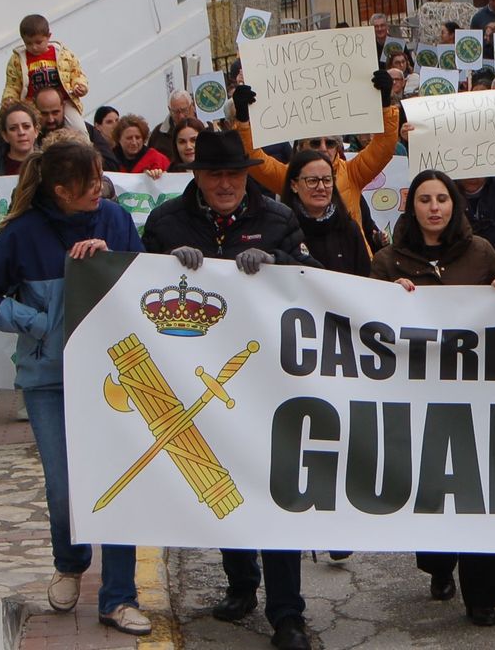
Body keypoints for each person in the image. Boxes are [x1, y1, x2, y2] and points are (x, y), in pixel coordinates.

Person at [0, 140, 149, 635]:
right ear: (61, 189)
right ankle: (70, 562)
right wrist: (40, 323)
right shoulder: (22, 234)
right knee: (63, 485)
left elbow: (146, 281)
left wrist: (109, 260)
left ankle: (119, 597)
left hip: (115, 377)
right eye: (89, 182)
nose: (99, 187)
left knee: (118, 482)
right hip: (49, 381)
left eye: (101, 176)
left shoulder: (113, 219)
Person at [142, 131, 319, 650]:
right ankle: (241, 582)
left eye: (235, 175)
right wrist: (164, 266)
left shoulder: (279, 218)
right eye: (215, 174)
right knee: (221, 486)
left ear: (247, 175)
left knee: (274, 491)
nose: (226, 184)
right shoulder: (166, 222)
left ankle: (287, 613)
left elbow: (311, 278)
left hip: (268, 378)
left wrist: (276, 264)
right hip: (197, 376)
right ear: (197, 176)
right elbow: (138, 286)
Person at [369, 172, 495, 627]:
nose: (434, 208)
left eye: (442, 199)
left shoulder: (480, 253)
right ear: (413, 209)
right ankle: (438, 565)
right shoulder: (389, 261)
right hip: (418, 398)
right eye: (425, 200)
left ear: (454, 205)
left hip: (476, 397)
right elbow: (370, 322)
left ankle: (482, 597)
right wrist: (389, 300)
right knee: (433, 490)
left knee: (478, 494)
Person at [232, 72, 398, 257]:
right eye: (315, 142)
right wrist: (243, 119)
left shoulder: (352, 173)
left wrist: (384, 104)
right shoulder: (289, 176)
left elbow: (384, 147)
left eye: (330, 143)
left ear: (338, 148)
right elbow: (254, 159)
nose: (323, 148)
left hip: (353, 267)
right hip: (307, 268)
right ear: (301, 146)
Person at [281, 150, 371, 277]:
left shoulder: (349, 229)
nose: (321, 187)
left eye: (327, 180)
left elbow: (366, 281)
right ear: (294, 185)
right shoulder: (282, 231)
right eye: (312, 181)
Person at [2, 14, 89, 126]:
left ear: (48, 36)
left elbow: (76, 73)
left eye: (38, 42)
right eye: (28, 43)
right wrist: (9, 100)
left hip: (62, 103)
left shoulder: (62, 54)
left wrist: (79, 86)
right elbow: (13, 85)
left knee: (79, 128)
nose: (34, 47)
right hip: (32, 105)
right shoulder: (17, 60)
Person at [35, 88, 120, 169]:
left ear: (63, 107)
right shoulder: (30, 136)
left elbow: (111, 165)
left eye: (55, 112)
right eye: (44, 114)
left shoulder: (85, 130)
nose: (51, 119)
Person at [0, 100, 41, 177]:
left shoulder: (48, 161)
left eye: (26, 126)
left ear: (36, 131)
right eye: (13, 128)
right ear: (5, 136)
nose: (21, 132)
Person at [148, 91, 198, 164]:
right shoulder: (158, 134)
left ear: (191, 107)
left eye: (184, 110)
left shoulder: (208, 129)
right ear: (169, 110)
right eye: (176, 112)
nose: (181, 116)